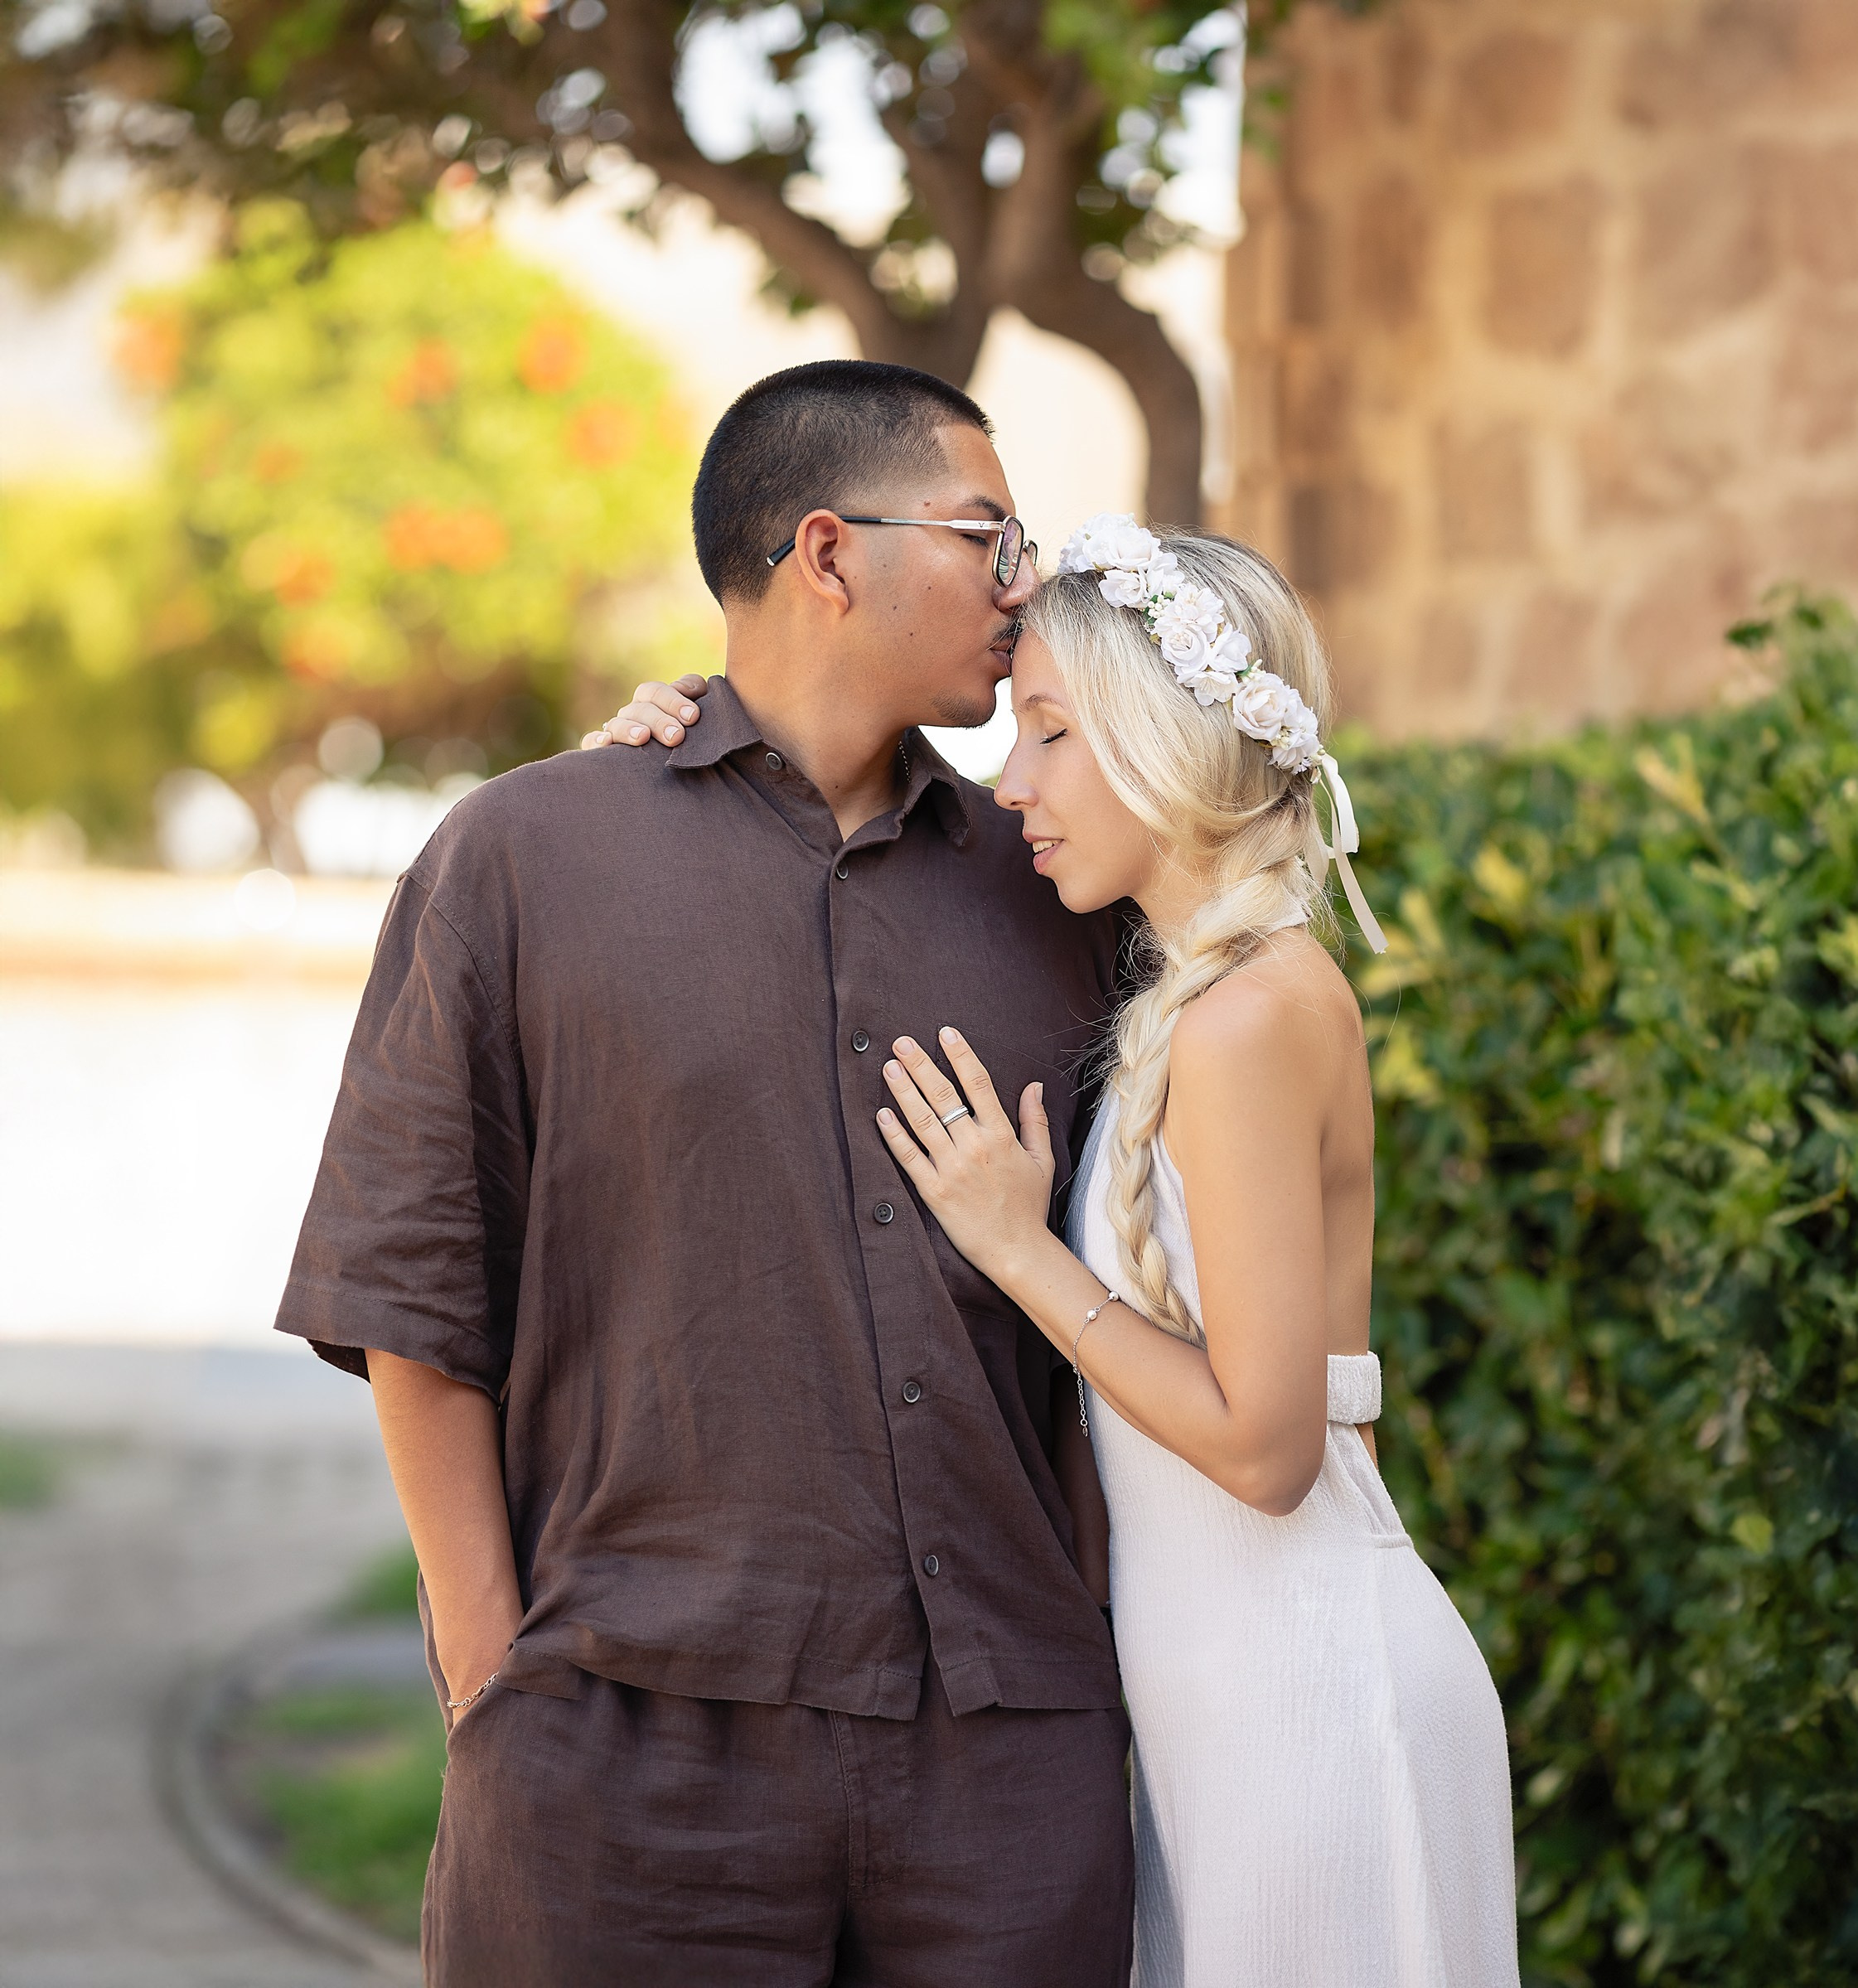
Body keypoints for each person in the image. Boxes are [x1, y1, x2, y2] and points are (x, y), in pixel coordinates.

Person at [275, 361, 1137, 1988]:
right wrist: (492, 1670)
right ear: (827, 553)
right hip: (620, 1756)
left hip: (1004, 1770)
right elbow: (411, 1289)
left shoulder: (1063, 891)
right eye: (986, 535)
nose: (1023, 586)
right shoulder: (523, 860)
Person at [598, 517, 1521, 1986]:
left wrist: (1018, 1253)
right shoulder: (1192, 988)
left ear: (1161, 738)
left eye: (1047, 733)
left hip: (1310, 1708)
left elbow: (1267, 1448)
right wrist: (674, 748)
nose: (1010, 782)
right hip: (1213, 1712)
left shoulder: (1249, 1018)